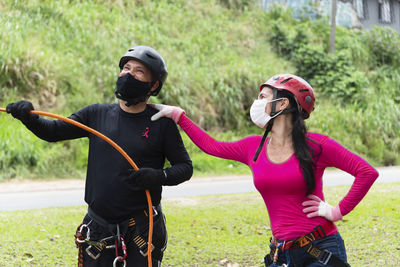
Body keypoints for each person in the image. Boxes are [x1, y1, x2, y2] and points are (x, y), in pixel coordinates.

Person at [150, 74, 379, 267]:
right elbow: (213, 146)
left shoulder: (318, 145)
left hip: (321, 248)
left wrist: (337, 211)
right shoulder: (252, 147)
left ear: (282, 104)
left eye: (263, 97)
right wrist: (179, 116)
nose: (256, 103)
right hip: (281, 253)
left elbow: (367, 172)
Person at [6, 45, 193, 267]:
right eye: (126, 68)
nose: (129, 74)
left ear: (153, 85)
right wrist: (29, 118)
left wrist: (158, 176)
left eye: (139, 71)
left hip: (142, 228)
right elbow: (53, 131)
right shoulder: (96, 115)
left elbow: (185, 167)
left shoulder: (161, 124)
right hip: (98, 227)